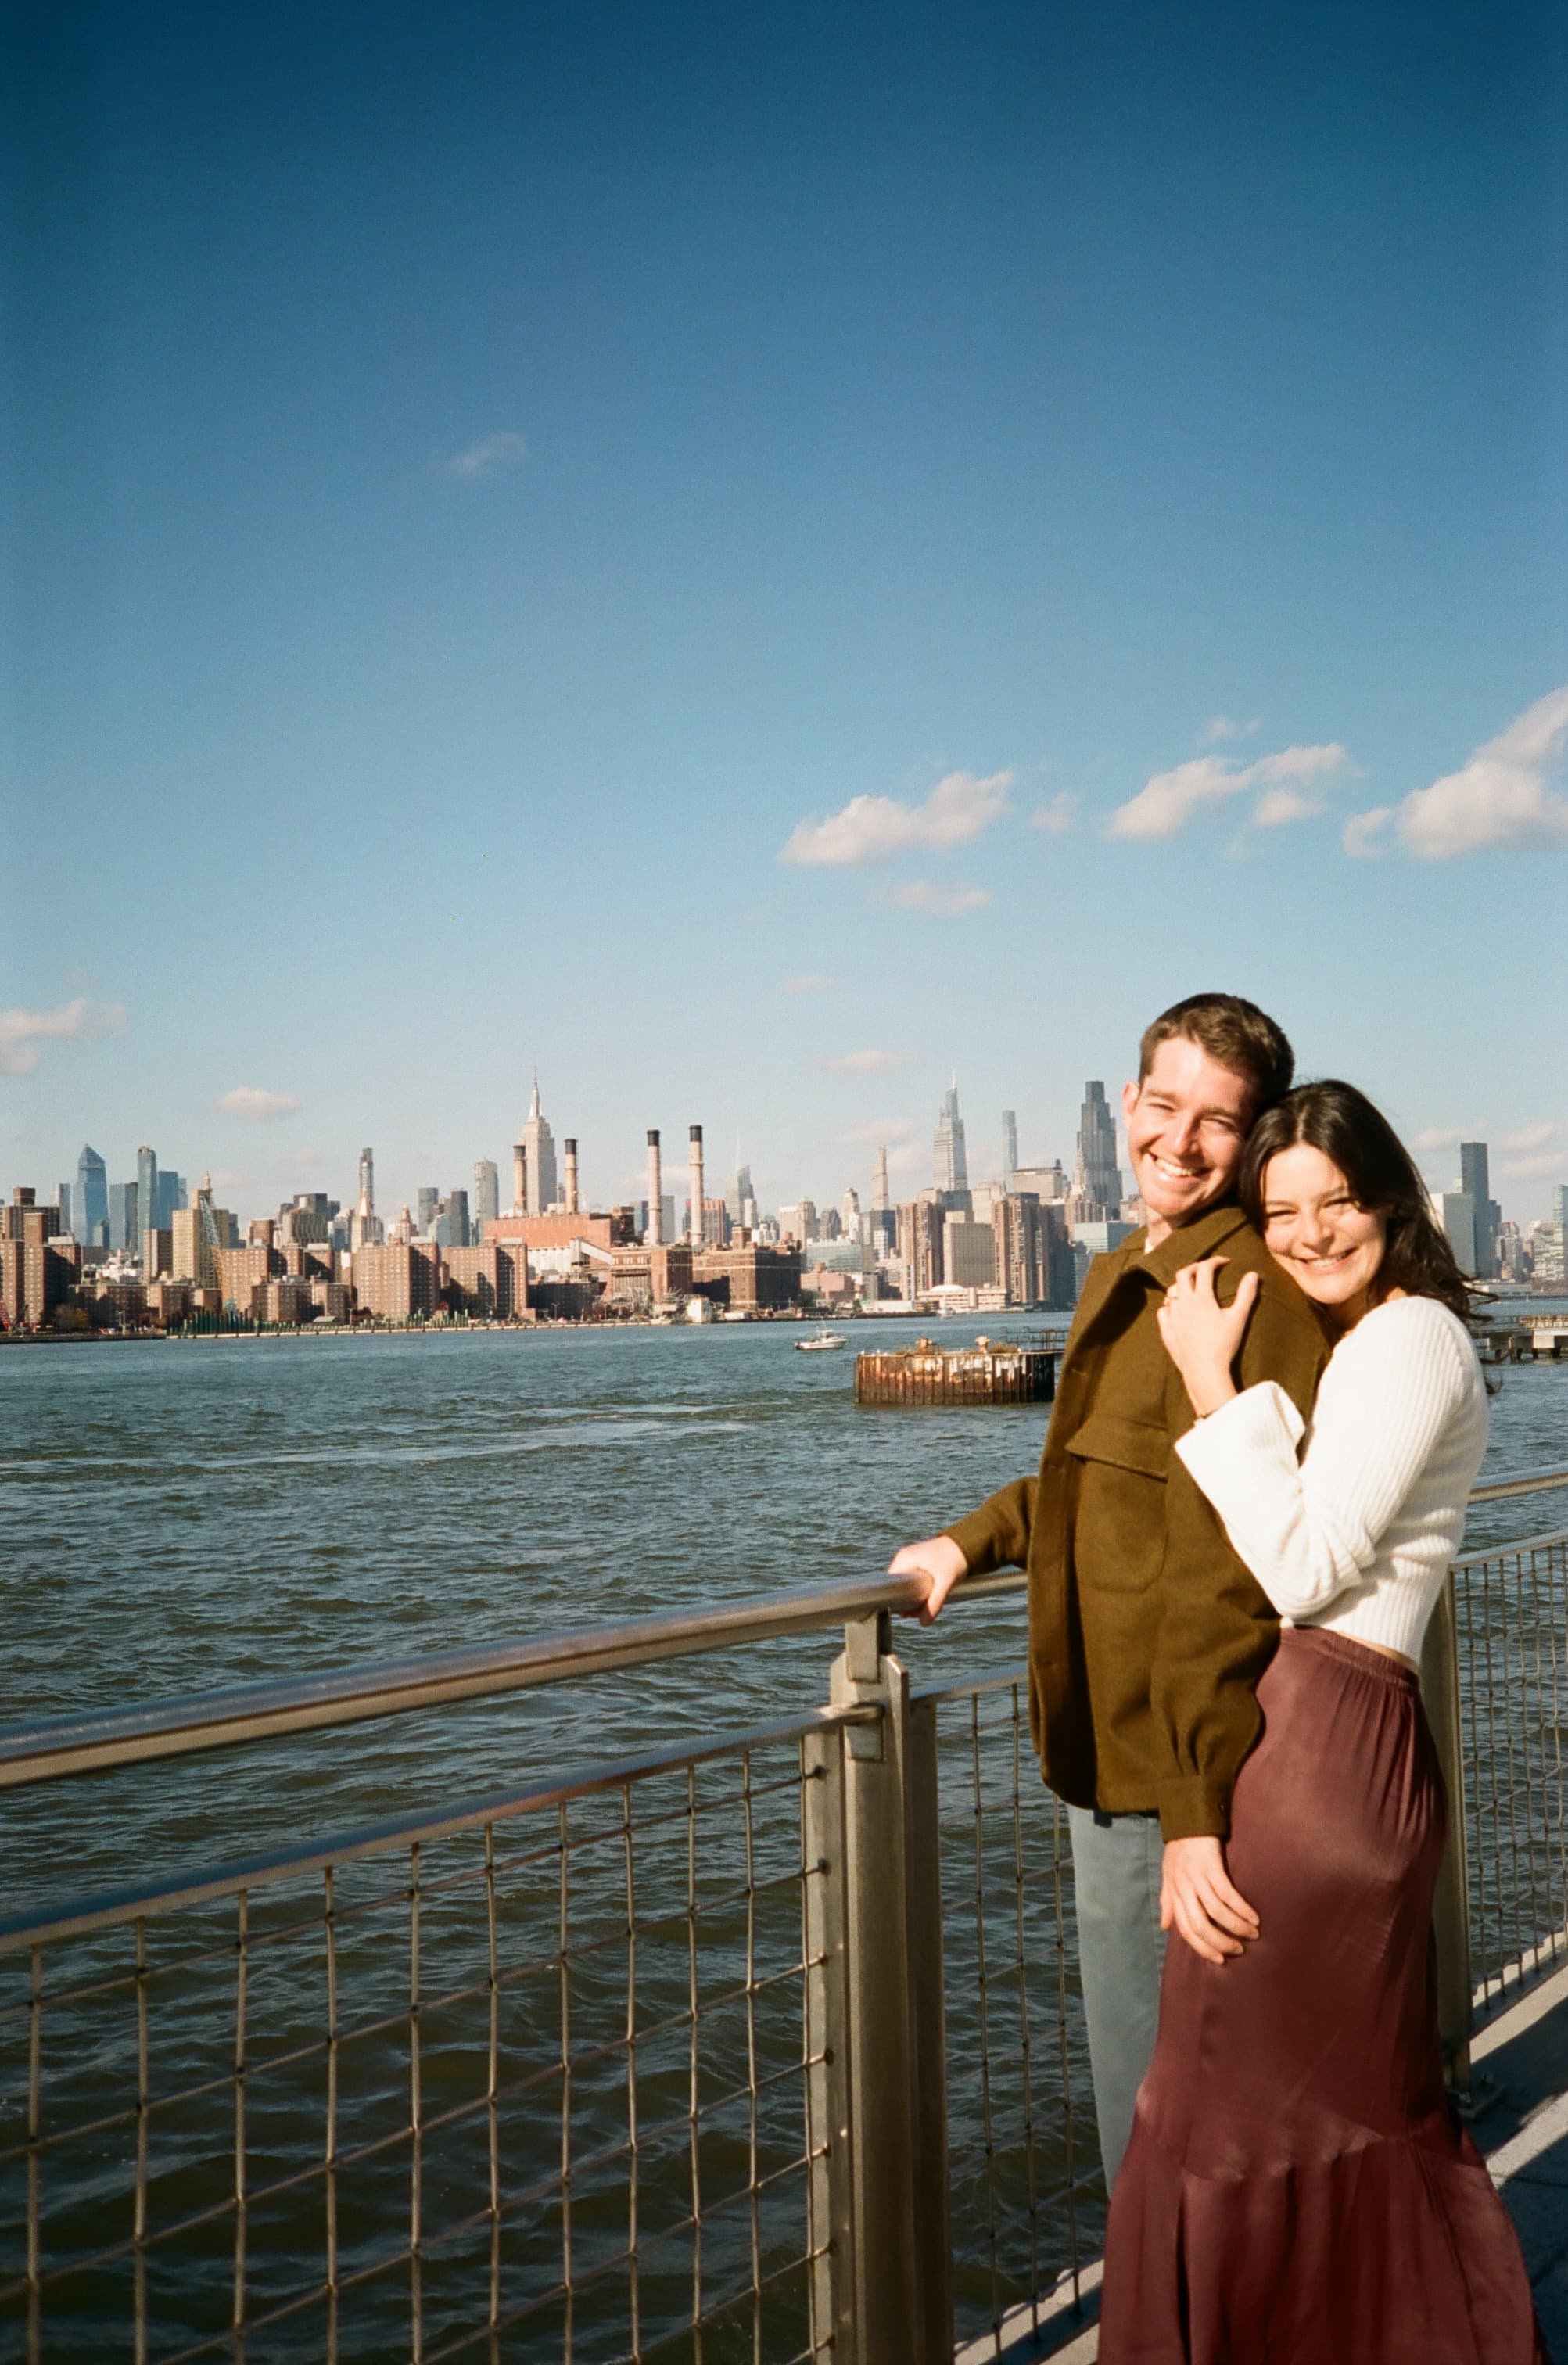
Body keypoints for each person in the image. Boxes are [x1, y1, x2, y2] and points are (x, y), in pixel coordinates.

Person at [1097, 1080, 1546, 2363]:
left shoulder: (1404, 1341)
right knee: (1334, 2112)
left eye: (1336, 1201)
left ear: (1390, 1201)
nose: (1307, 1234)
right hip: (1349, 1744)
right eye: (1280, 1211)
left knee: (1223, 2116)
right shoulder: (1370, 1341)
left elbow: (1301, 1569)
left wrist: (1205, 1376)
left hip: (1317, 1751)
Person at [891, 992, 1330, 2181]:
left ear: (1256, 1137)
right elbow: (1098, 1487)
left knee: (1164, 2121)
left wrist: (1192, 1812)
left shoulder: (1244, 1293)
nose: (1179, 1143)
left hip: (1172, 1776)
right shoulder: (1130, 1271)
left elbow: (1235, 1566)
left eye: (1217, 1122)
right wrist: (966, 1543)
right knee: (1152, 2104)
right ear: (1127, 1101)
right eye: (1163, 1106)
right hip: (1118, 1749)